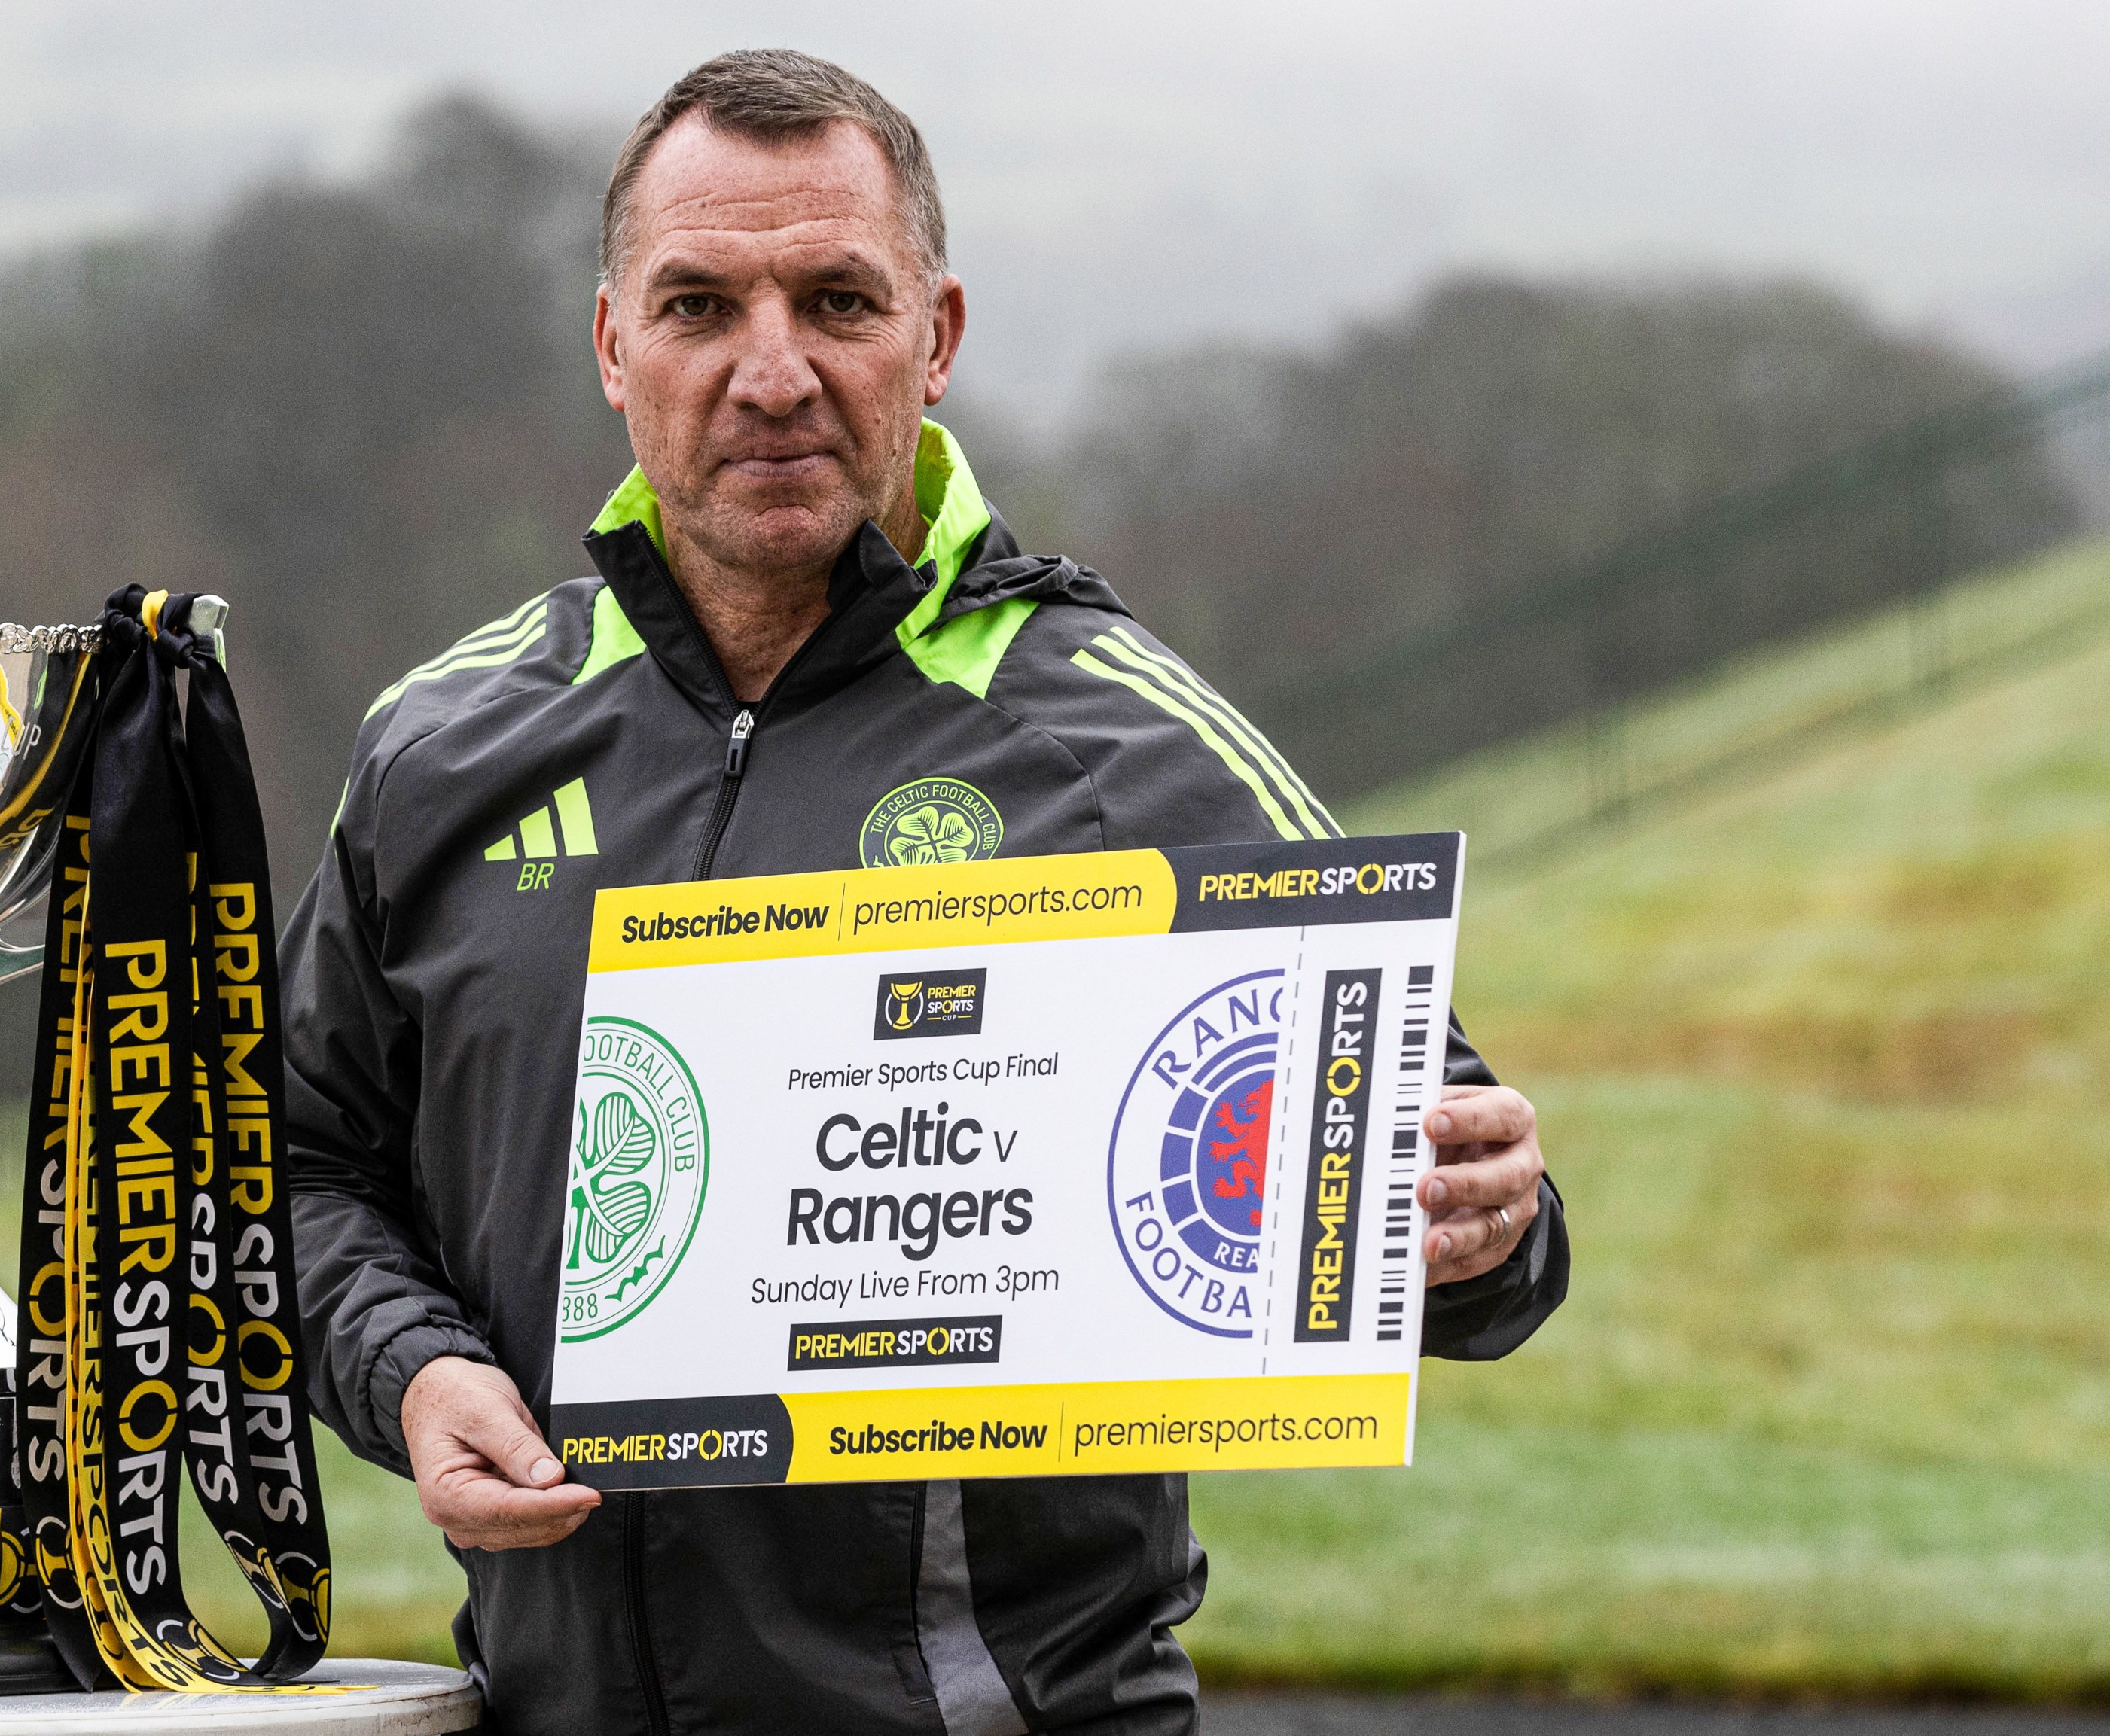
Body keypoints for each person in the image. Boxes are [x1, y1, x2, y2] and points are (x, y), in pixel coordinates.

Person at [281, 49, 1568, 1736]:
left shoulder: (1118, 739)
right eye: (696, 306)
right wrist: (408, 1366)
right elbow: (294, 1161)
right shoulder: (444, 745)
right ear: (612, 347)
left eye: (835, 299)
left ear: (936, 336)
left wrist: (1477, 1231)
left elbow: (1453, 1209)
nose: (770, 371)